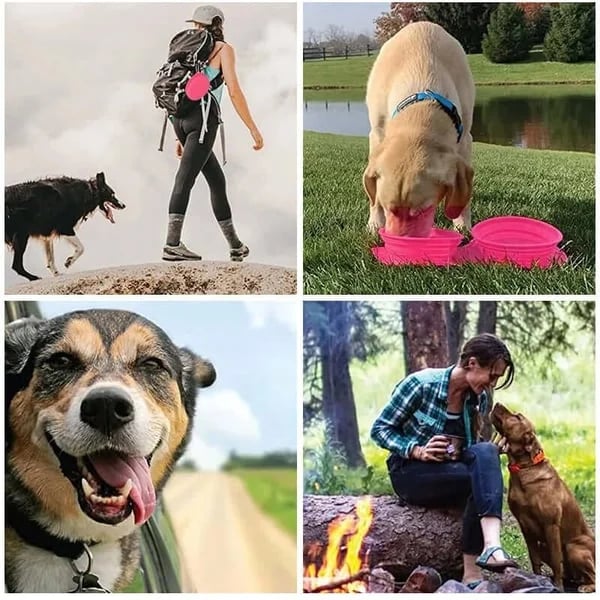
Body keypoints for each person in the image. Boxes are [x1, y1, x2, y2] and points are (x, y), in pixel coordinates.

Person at [371, 333, 519, 589]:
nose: (492, 384)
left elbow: (470, 449)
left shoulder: (478, 398)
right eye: (492, 376)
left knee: (485, 451)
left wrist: (490, 457)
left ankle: (491, 548)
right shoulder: (421, 385)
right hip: (410, 472)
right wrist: (417, 450)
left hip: (451, 473)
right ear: (472, 363)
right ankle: (473, 571)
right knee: (477, 476)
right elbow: (380, 430)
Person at [163, 5, 264, 262]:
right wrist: (253, 128)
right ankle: (172, 245)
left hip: (181, 120)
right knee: (184, 180)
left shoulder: (182, 50)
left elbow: (177, 90)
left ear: (198, 25)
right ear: (218, 24)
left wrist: (178, 135)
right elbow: (233, 91)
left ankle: (235, 245)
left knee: (217, 182)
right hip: (203, 122)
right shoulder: (223, 49)